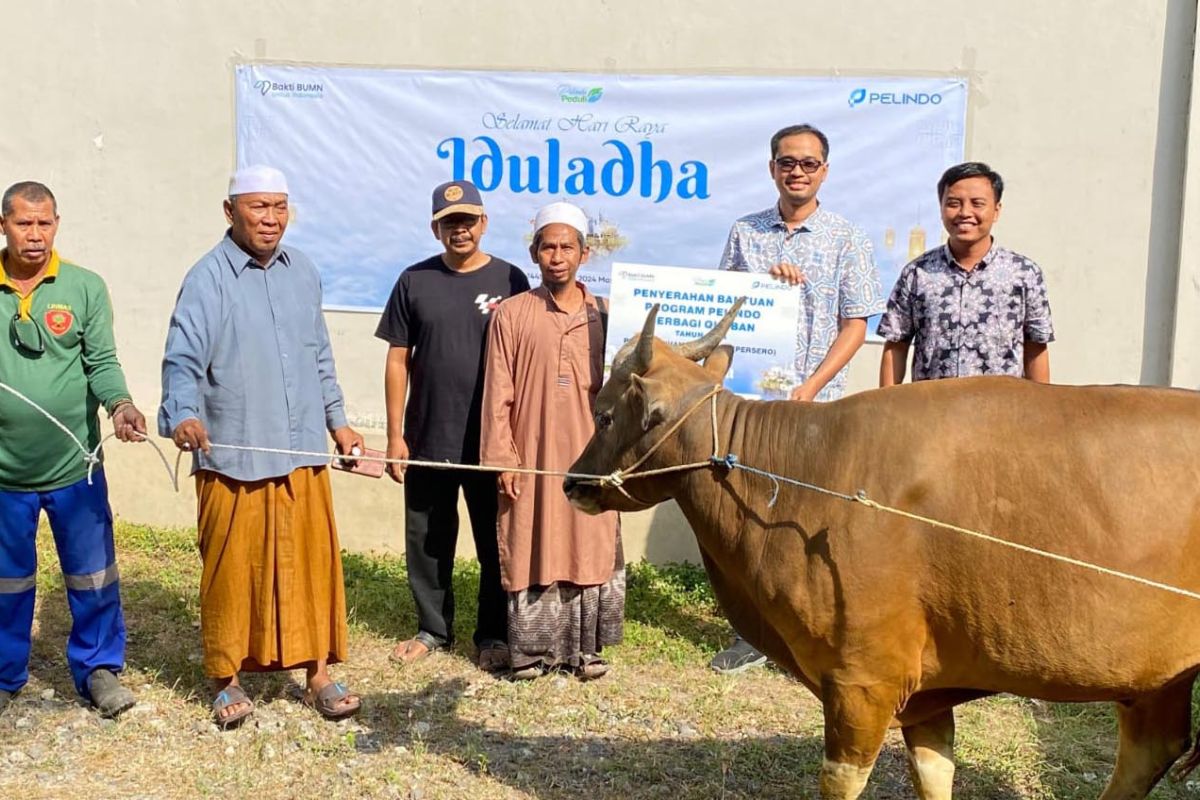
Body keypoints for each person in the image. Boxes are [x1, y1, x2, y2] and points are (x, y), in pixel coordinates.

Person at [159, 165, 364, 728]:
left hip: (300, 452)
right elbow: (181, 359)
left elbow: (318, 354)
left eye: (279, 207)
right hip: (234, 457)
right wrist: (184, 415)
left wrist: (339, 423)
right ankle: (226, 679)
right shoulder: (207, 278)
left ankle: (317, 672)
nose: (271, 219)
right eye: (258, 208)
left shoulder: (304, 272)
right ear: (230, 212)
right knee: (232, 572)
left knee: (312, 566)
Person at [715, 123, 885, 674]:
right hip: (754, 408)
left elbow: (855, 325)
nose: (798, 171)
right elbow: (725, 309)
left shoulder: (846, 237)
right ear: (772, 169)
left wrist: (810, 388)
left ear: (825, 172)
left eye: (809, 163)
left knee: (811, 517)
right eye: (788, 162)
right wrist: (764, 286)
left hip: (818, 404)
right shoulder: (746, 234)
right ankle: (755, 632)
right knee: (748, 512)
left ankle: (812, 630)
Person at [0, 181, 146, 717]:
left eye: (44, 223)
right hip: (4, 475)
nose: (34, 235)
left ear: (57, 224)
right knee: (5, 581)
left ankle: (99, 669)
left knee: (92, 574)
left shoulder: (84, 287)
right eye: (23, 223)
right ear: (3, 225)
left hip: (74, 468)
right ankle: (3, 672)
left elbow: (101, 363)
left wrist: (121, 405)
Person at [375, 180, 529, 672]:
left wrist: (517, 441)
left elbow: (527, 361)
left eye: (467, 220)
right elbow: (398, 361)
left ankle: (493, 634)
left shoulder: (511, 280)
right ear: (435, 228)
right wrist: (395, 435)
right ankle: (433, 628)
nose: (458, 229)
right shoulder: (414, 281)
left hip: (490, 441)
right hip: (428, 436)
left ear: (484, 223)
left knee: (493, 539)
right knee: (428, 540)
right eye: (448, 222)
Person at [480, 201, 623, 681]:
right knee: (531, 540)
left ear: (584, 254)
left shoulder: (607, 316)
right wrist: (503, 458)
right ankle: (532, 654)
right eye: (547, 247)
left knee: (589, 541)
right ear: (534, 253)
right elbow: (497, 392)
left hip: (591, 456)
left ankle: (586, 651)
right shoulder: (512, 315)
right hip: (531, 452)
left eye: (566, 247)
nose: (556, 256)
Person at [878, 161, 1054, 385]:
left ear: (996, 210)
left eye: (977, 204)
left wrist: (1040, 412)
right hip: (932, 411)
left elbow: (1036, 346)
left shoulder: (1024, 274)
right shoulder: (917, 274)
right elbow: (896, 345)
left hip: (1001, 413)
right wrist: (889, 407)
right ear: (941, 207)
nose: (965, 213)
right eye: (953, 203)